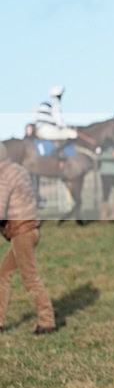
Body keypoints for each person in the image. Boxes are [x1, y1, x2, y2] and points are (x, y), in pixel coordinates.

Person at [0, 142, 57, 335]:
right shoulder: (18, 170)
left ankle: (47, 321)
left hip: (21, 233)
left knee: (30, 278)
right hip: (31, 229)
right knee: (3, 275)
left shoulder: (3, 177)